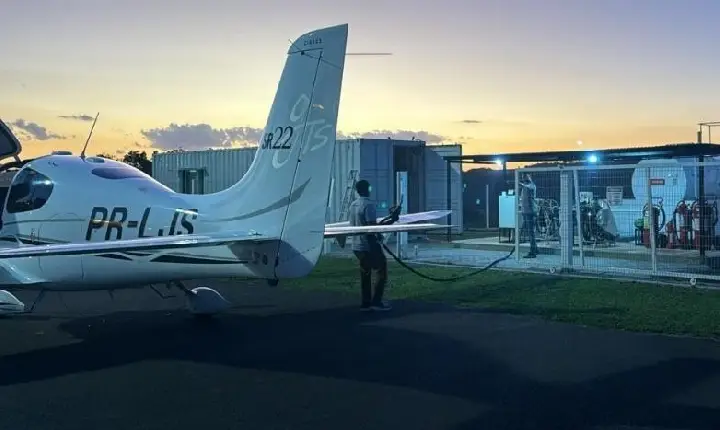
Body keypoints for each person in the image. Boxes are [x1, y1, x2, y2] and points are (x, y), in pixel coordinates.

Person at [348, 179, 392, 312]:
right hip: (368, 245)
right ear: (368, 189)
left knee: (365, 273)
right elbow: (371, 226)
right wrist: (389, 222)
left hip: (356, 245)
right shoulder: (368, 205)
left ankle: (365, 302)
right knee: (381, 270)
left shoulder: (353, 205)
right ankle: (376, 301)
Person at [519, 173, 539, 258]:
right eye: (523, 177)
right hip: (526, 212)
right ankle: (535, 249)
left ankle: (533, 252)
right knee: (530, 232)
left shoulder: (531, 186)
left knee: (531, 232)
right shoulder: (524, 187)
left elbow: (529, 187)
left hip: (530, 212)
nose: (524, 178)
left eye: (526, 176)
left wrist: (520, 183)